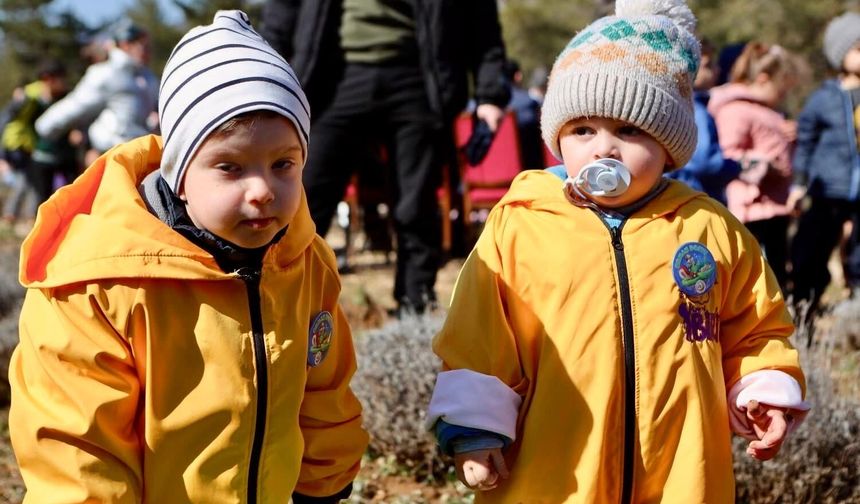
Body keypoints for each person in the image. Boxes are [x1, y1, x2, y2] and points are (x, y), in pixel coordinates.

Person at [424, 1, 810, 501]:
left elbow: (755, 324)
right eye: (583, 130)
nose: (603, 149)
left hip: (681, 472)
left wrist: (762, 388)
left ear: (668, 144)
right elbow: (480, 333)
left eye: (629, 131)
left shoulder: (708, 226)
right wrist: (474, 429)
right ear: (558, 136)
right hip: (556, 469)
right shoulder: (522, 223)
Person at [9, 11, 368, 503]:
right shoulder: (97, 286)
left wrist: (325, 483)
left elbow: (324, 389)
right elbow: (77, 444)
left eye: (283, 163)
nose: (262, 190)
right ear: (179, 173)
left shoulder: (304, 264)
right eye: (231, 167)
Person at [260, 0, 510, 314]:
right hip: (332, 75)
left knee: (415, 204)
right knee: (305, 196)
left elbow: (480, 18)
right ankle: (278, 299)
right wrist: (265, 78)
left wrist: (490, 94)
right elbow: (283, 12)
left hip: (420, 74)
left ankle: (415, 304)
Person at [708, 42, 799, 289]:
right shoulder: (736, 110)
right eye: (781, 90)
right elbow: (730, 153)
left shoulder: (770, 112)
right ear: (762, 79)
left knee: (778, 272)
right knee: (757, 276)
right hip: (751, 207)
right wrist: (763, 164)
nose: (783, 97)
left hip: (776, 206)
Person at [790, 11, 860, 311]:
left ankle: (855, 306)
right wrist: (799, 183)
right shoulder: (823, 99)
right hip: (827, 190)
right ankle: (803, 306)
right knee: (812, 250)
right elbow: (805, 144)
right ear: (841, 54)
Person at [35, 19, 159, 166]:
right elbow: (76, 105)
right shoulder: (106, 74)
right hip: (113, 156)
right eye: (141, 44)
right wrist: (45, 126)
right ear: (125, 44)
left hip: (143, 156)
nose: (146, 50)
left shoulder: (148, 77)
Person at [666, 38, 741, 205]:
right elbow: (704, 162)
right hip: (694, 199)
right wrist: (736, 166)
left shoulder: (680, 105)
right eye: (707, 65)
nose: (716, 70)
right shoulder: (696, 110)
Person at [0, 61, 69, 229]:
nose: (64, 83)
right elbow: (6, 118)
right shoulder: (31, 95)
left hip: (25, 143)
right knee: (28, 179)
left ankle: (16, 216)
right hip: (17, 142)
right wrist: (1, 154)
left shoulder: (40, 94)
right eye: (61, 79)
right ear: (49, 79)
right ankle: (15, 217)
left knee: (27, 179)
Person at [504, 59, 544, 170]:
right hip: (526, 174)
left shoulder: (477, 108)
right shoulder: (528, 103)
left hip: (484, 177)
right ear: (518, 76)